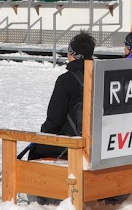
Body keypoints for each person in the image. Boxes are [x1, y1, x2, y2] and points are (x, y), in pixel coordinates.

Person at [28, 31, 94, 161]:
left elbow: (55, 119)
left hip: (72, 142)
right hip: (96, 140)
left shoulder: (66, 80)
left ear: (72, 54)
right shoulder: (100, 75)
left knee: (36, 149)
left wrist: (42, 135)